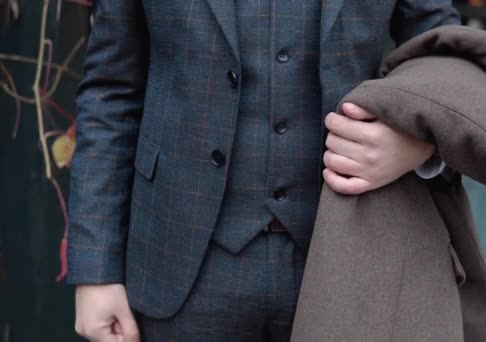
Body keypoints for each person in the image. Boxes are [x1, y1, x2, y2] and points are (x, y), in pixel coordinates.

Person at [67, 1, 460, 341]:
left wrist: (420, 146)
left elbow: (446, 60)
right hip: (180, 263)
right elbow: (112, 93)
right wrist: (95, 270)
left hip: (348, 254)